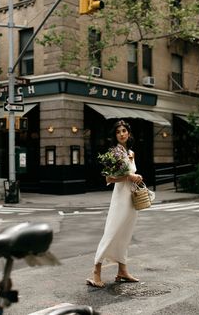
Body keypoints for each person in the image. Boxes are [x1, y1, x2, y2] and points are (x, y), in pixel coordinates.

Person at [86, 120, 143, 288]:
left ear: (129, 133)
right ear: (115, 136)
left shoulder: (131, 152)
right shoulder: (114, 153)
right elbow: (108, 179)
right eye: (118, 132)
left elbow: (131, 173)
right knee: (111, 233)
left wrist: (137, 177)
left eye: (124, 131)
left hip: (131, 198)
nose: (122, 134)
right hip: (119, 199)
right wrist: (128, 177)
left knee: (126, 233)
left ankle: (122, 271)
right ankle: (96, 271)